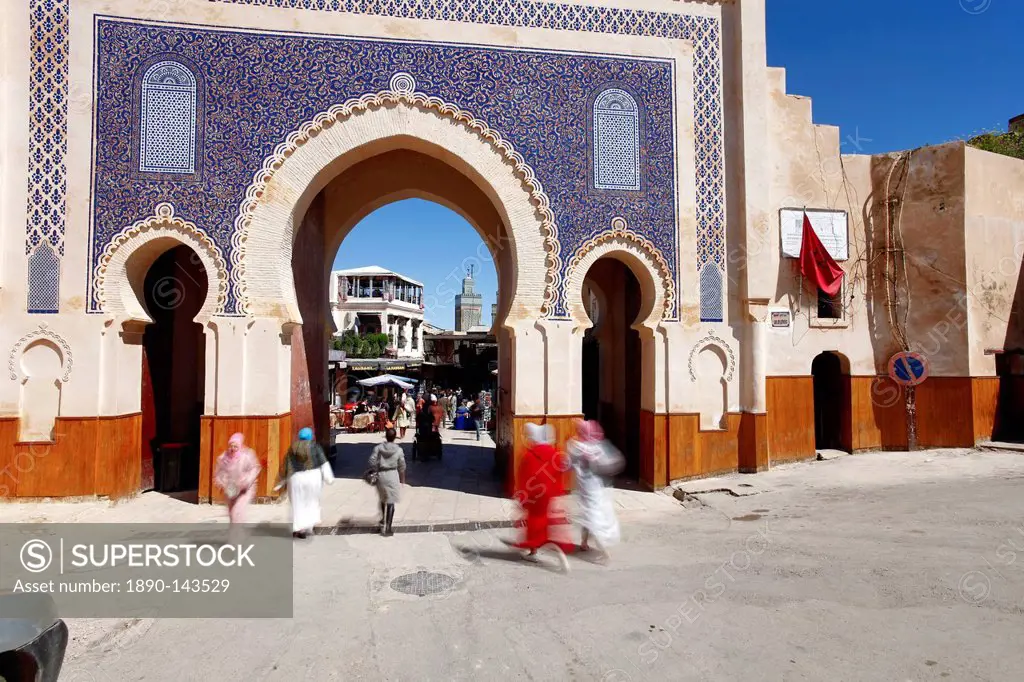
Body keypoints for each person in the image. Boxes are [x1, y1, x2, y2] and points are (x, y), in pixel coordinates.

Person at [504, 423, 573, 570]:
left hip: (534, 496)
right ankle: (536, 549)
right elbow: (559, 474)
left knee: (534, 524)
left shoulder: (530, 455)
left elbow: (523, 477)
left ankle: (536, 550)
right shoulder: (555, 453)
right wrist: (557, 492)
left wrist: (520, 495)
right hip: (547, 496)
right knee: (541, 523)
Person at [567, 419, 622, 561]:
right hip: (597, 486)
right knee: (596, 513)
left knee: (590, 515)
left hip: (585, 487)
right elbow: (610, 463)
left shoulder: (576, 447)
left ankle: (598, 547)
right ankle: (588, 543)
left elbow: (567, 464)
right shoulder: (597, 447)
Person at [274, 427, 335, 539]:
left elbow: (286, 465)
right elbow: (324, 463)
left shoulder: (293, 448)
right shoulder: (315, 447)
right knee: (311, 502)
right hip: (313, 477)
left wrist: (280, 481)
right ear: (310, 436)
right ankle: (308, 527)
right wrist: (329, 478)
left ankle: (298, 527)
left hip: (296, 478)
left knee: (297, 504)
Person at [213, 433, 261, 528]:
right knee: (231, 513)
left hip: (245, 490)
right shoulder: (224, 457)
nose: (233, 448)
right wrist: (222, 482)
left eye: (236, 446)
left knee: (237, 511)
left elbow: (255, 468)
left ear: (240, 446)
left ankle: (237, 538)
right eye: (231, 446)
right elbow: (219, 472)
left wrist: (246, 480)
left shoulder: (247, 455)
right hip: (231, 489)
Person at [368, 428, 407, 536]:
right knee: (391, 501)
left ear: (386, 436)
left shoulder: (378, 448)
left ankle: (382, 519)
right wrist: (402, 479)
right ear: (395, 437)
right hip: (392, 475)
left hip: (381, 475)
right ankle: (388, 528)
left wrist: (376, 468)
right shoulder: (399, 450)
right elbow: (402, 465)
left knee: (382, 498)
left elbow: (371, 461)